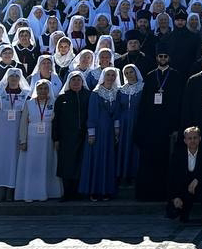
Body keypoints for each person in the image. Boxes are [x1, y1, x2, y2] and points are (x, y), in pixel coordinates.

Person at [136, 49, 183, 201]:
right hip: (151, 125)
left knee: (166, 161)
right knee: (150, 160)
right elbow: (144, 103)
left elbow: (178, 102)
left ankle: (164, 193)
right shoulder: (150, 76)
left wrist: (176, 125)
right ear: (157, 58)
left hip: (168, 126)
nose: (163, 58)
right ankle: (148, 194)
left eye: (165, 56)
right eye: (160, 56)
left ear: (169, 57)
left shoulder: (176, 75)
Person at [0, 67, 29, 202]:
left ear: (20, 79)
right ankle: (0, 191)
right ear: (7, 78)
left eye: (16, 76)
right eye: (11, 76)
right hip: (0, 135)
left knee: (14, 161)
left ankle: (11, 191)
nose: (14, 79)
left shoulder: (26, 95)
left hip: (16, 134)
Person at [15, 79, 62, 202]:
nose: (43, 91)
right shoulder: (29, 103)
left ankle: (47, 192)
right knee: (32, 167)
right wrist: (23, 140)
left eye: (45, 88)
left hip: (48, 141)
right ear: (36, 90)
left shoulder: (54, 103)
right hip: (32, 141)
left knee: (47, 166)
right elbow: (23, 123)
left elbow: (57, 123)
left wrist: (57, 139)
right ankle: (30, 193)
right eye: (40, 88)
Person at [81, 67, 122, 200]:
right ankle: (94, 190)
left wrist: (116, 128)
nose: (110, 77)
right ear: (103, 76)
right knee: (96, 159)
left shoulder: (116, 92)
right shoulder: (96, 93)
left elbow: (117, 112)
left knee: (108, 159)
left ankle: (106, 190)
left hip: (109, 132)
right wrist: (91, 133)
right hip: (98, 131)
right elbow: (92, 114)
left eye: (113, 75)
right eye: (108, 75)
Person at [167, 126, 202, 225]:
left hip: (201, 187)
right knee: (174, 213)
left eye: (195, 138)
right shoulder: (178, 155)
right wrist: (175, 197)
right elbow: (172, 177)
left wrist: (197, 180)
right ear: (185, 140)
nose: (192, 141)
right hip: (184, 189)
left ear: (200, 139)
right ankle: (182, 211)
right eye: (189, 138)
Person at [54, 69, 91, 200]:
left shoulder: (88, 96)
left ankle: (79, 192)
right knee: (66, 165)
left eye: (78, 80)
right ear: (68, 82)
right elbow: (56, 120)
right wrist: (56, 138)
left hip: (84, 136)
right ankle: (67, 193)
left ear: (82, 81)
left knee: (81, 164)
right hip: (66, 137)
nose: (76, 82)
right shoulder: (62, 98)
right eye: (73, 80)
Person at [117, 64, 144, 186]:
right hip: (124, 122)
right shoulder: (121, 89)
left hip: (137, 120)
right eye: (126, 73)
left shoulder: (143, 87)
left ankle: (135, 174)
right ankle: (123, 174)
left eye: (131, 72)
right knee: (124, 146)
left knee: (135, 146)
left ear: (136, 72)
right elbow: (118, 107)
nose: (129, 75)